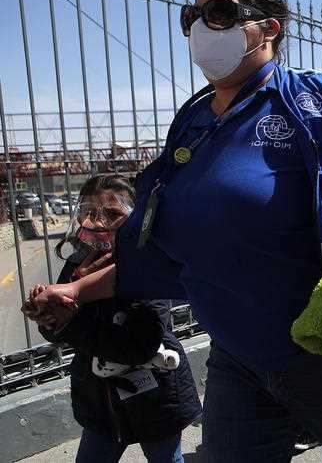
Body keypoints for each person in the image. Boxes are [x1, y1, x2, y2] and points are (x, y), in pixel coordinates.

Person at [23, 0, 322, 462]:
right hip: (237, 361)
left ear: (269, 27)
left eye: (218, 12)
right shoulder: (191, 123)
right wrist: (75, 291)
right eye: (191, 15)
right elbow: (165, 251)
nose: (198, 27)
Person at [36, 174, 202, 463]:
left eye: (112, 214)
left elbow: (140, 345)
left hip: (158, 397)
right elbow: (58, 328)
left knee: (166, 457)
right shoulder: (77, 265)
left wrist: (76, 315)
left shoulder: (148, 268)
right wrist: (51, 315)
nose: (99, 223)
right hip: (101, 401)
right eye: (90, 213)